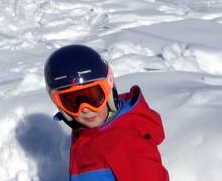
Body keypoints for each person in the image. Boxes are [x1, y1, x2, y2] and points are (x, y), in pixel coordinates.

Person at [45, 44, 169, 181]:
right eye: (72, 102)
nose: (85, 109)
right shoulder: (87, 133)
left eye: (92, 97)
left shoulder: (126, 143)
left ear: (109, 90)